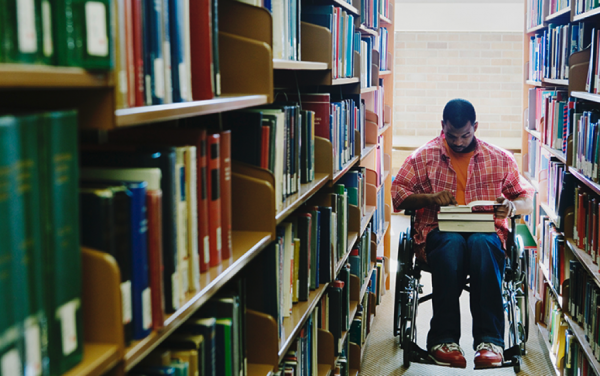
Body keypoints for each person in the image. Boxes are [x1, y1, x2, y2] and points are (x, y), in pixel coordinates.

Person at [391, 98, 534, 369]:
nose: (458, 142)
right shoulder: (423, 157)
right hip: (440, 233)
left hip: (485, 234)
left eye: (465, 135)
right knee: (452, 244)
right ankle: (443, 340)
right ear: (442, 126)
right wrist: (430, 198)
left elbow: (527, 197)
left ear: (475, 127)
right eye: (451, 136)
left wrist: (512, 206)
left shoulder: (500, 158)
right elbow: (398, 195)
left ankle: (489, 342)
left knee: (482, 243)